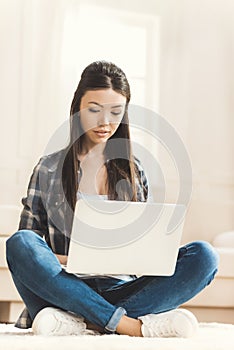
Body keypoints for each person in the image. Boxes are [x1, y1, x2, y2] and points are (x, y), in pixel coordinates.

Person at [6, 61, 219, 338]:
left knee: (204, 256)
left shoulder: (134, 170)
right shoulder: (48, 168)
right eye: (94, 110)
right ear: (78, 108)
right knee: (19, 243)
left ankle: (84, 322)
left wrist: (133, 259)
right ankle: (128, 325)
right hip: (63, 287)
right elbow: (31, 249)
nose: (105, 122)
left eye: (116, 112)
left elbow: (148, 252)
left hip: (122, 288)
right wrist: (77, 260)